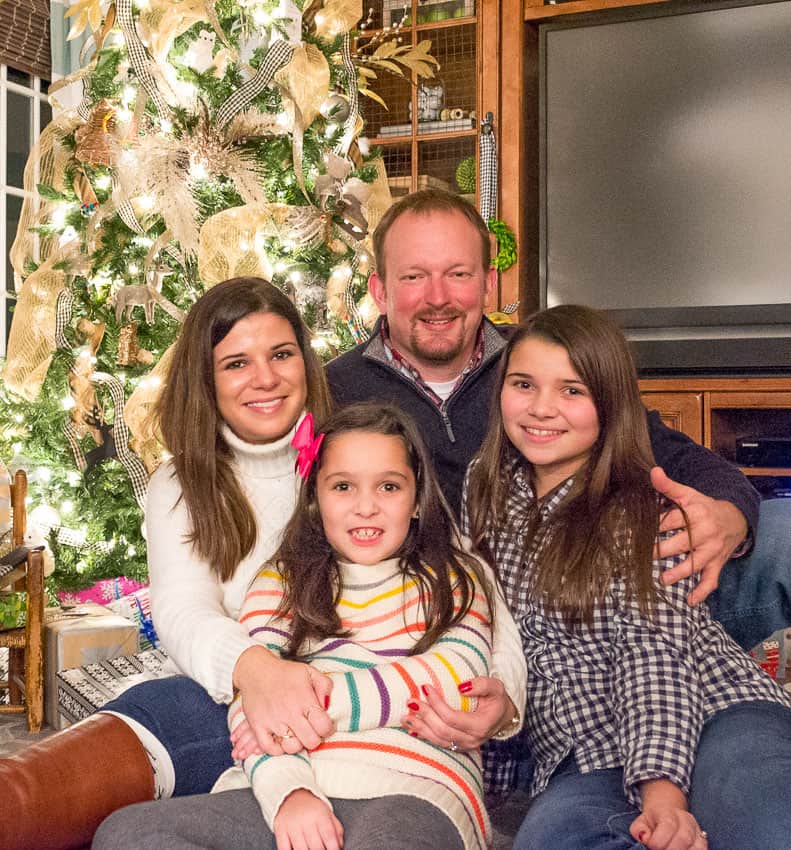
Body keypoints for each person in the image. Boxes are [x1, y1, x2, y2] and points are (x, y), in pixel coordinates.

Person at [326, 188, 790, 754]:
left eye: (458, 274)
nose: (438, 298)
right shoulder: (331, 392)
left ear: (488, 284)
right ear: (378, 289)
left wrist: (728, 513)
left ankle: (694, 694)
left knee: (783, 534)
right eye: (414, 277)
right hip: (474, 619)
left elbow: (662, 447)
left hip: (617, 582)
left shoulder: (540, 356)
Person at [92, 402, 527, 850]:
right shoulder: (282, 580)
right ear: (315, 498)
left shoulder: (455, 574)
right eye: (343, 486)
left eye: (389, 487)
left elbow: (455, 679)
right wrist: (289, 792)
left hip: (413, 789)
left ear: (417, 500)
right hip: (282, 788)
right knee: (127, 833)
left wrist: (300, 705)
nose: (366, 508)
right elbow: (253, 704)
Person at [0, 277, 335, 850]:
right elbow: (183, 610)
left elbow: (459, 575)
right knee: (32, 793)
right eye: (236, 363)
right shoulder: (179, 484)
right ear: (206, 381)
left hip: (355, 693)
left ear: (305, 361)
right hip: (218, 702)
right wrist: (256, 671)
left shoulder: (359, 455)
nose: (265, 378)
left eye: (281, 354)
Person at [463, 304, 791, 850]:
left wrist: (663, 794)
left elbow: (652, 650)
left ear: (612, 405)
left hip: (710, 711)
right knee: (548, 839)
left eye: (572, 390)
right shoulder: (485, 486)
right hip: (585, 753)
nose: (543, 408)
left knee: (760, 816)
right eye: (524, 384)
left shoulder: (643, 506)